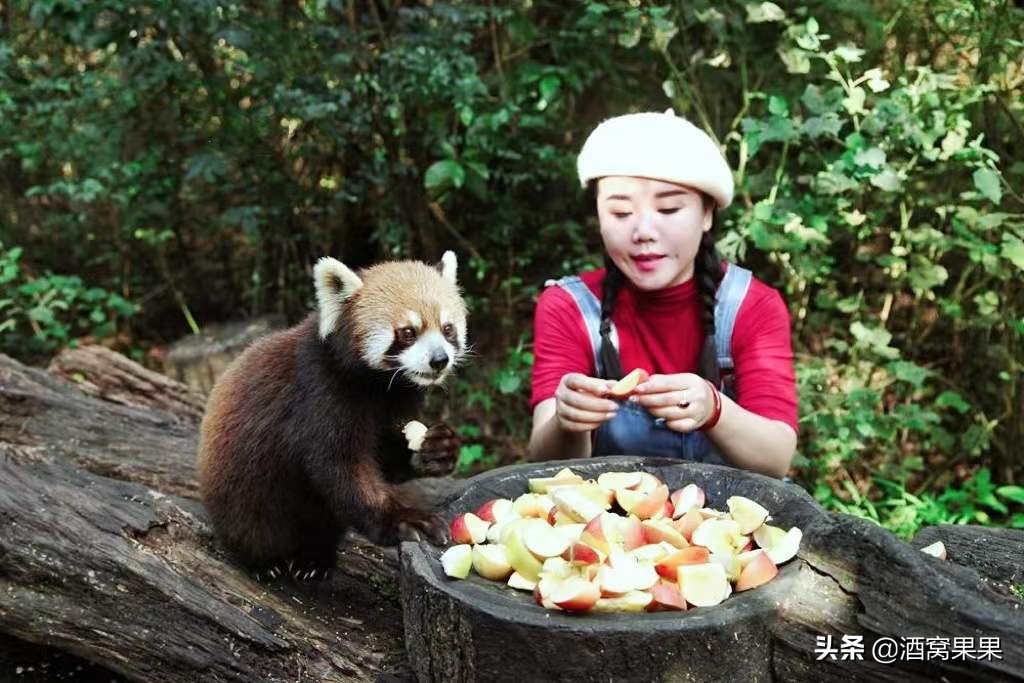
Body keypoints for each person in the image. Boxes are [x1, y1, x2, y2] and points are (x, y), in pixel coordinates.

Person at [526, 110, 798, 478]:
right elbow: (546, 465)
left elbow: (776, 458)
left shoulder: (751, 305)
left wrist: (715, 409)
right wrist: (567, 419)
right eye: (620, 212)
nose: (643, 231)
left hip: (728, 526)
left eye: (669, 208)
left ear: (707, 215)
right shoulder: (568, 307)